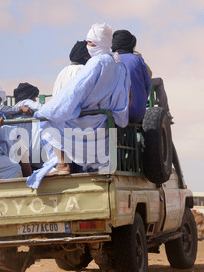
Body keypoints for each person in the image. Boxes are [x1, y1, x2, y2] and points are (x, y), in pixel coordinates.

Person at [26, 23, 131, 189]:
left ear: (97, 44)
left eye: (90, 42)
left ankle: (61, 164)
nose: (88, 46)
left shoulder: (96, 63)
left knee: (45, 117)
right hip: (104, 122)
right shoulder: (118, 63)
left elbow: (73, 93)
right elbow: (123, 95)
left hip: (86, 122)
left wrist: (51, 109)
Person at [112, 29, 151, 124]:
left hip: (112, 116)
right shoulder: (137, 60)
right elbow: (147, 85)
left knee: (112, 132)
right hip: (136, 114)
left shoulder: (107, 60)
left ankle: (113, 138)